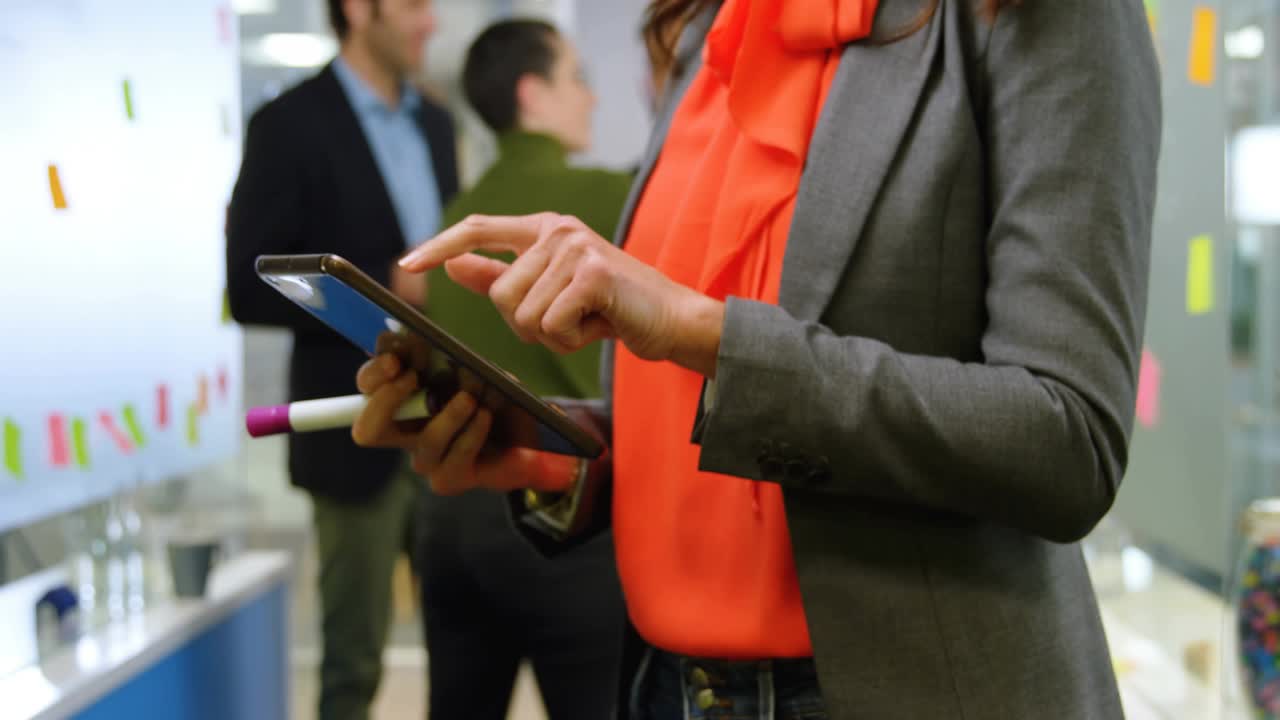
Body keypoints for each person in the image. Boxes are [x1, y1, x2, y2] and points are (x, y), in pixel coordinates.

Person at [351, 0, 1161, 717]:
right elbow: (723, 419)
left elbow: (1069, 440)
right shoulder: (706, 30)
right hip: (664, 683)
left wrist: (706, 334)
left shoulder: (1027, 14)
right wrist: (554, 449)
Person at [224, 0, 457, 717]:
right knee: (353, 665)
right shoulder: (288, 124)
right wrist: (384, 284)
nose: (430, 22)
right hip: (353, 427)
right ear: (358, 9)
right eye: (414, 5)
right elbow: (249, 287)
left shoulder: (435, 123)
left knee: (464, 657)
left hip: (449, 422)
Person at [413, 19, 630, 720]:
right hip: (557, 508)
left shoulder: (455, 215)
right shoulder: (608, 204)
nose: (592, 97)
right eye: (577, 78)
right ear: (532, 94)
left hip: (450, 514)